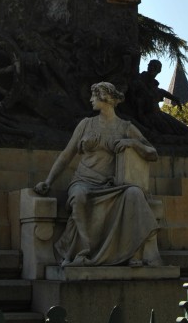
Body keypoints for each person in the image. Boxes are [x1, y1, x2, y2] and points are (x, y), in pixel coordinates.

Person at [34, 82, 162, 267]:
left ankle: (134, 252)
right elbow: (66, 155)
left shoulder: (125, 127)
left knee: (134, 193)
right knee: (79, 196)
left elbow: (153, 153)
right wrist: (48, 181)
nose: (91, 99)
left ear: (106, 98)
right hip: (84, 180)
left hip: (112, 185)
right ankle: (82, 252)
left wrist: (132, 144)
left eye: (94, 96)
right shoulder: (86, 124)